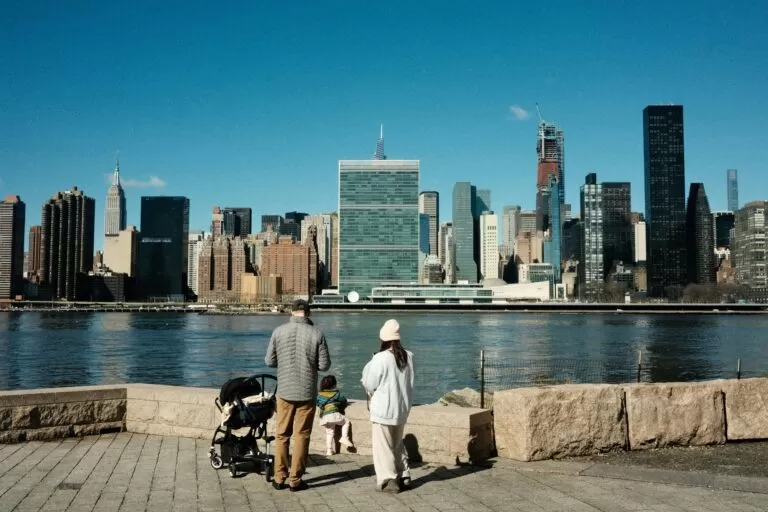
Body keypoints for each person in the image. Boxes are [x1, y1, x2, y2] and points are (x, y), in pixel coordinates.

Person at [265, 299, 331, 492]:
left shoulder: (279, 331)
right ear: (308, 314)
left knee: (282, 435)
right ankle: (295, 480)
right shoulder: (317, 333)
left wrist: (284, 364)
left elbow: (269, 361)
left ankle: (279, 477)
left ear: (291, 312)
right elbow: (324, 365)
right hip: (306, 392)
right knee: (302, 436)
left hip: (285, 391)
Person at [361, 318, 414, 493]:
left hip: (383, 410)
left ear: (383, 338)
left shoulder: (380, 358)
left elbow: (369, 383)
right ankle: (404, 474)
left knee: (383, 446)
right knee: (398, 443)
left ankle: (389, 480)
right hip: (402, 408)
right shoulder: (409, 356)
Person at [316, 375, 355, 455]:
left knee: (329, 433)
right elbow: (343, 400)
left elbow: (318, 403)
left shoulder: (319, 395)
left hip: (325, 416)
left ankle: (329, 450)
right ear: (334, 385)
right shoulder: (336, 394)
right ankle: (344, 437)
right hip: (334, 414)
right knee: (346, 422)